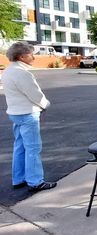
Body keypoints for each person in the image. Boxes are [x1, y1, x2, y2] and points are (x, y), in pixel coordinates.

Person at [2, 42, 57, 192]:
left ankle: (18, 178)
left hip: (15, 114)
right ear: (21, 56)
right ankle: (35, 181)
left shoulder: (8, 71)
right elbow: (35, 95)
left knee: (20, 146)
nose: (33, 57)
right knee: (33, 148)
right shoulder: (22, 73)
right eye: (30, 54)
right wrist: (45, 104)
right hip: (27, 115)